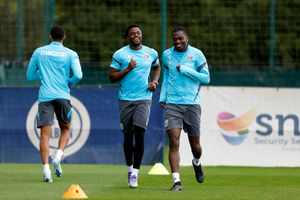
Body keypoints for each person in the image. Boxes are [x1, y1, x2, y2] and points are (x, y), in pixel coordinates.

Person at [26, 25, 83, 182]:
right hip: (63, 96)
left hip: (45, 97)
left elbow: (30, 77)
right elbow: (78, 75)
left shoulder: (39, 52)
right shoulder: (71, 53)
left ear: (50, 36)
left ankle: (46, 171)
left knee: (45, 134)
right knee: (66, 128)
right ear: (64, 37)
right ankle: (57, 156)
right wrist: (69, 83)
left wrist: (43, 71)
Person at [109, 24, 161, 188]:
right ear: (128, 37)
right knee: (127, 137)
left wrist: (154, 81)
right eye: (132, 33)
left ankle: (135, 175)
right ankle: (129, 169)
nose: (136, 35)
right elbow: (111, 77)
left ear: (141, 35)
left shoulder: (150, 53)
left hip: (144, 99)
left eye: (138, 33)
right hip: (125, 99)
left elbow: (156, 67)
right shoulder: (120, 54)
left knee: (140, 134)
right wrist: (128, 69)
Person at [159, 26, 210, 191]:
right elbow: (166, 76)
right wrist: (162, 96)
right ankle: (176, 181)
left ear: (187, 38)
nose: (177, 41)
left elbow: (206, 78)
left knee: (195, 146)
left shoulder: (197, 54)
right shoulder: (167, 55)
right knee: (174, 140)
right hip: (172, 104)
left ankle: (197, 162)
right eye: (174, 39)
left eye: (180, 38)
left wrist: (187, 70)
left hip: (192, 104)